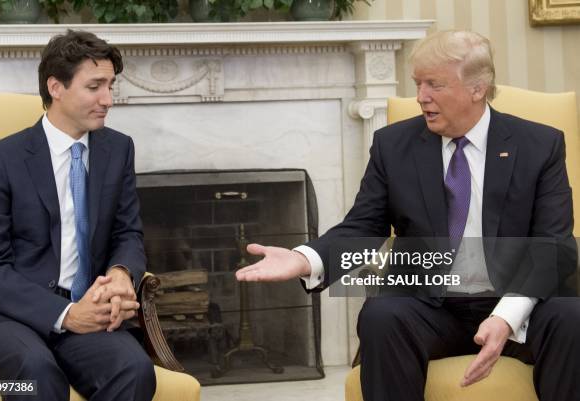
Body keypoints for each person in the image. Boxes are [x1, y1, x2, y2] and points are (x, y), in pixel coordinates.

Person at [236, 30, 580, 401]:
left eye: (434, 85)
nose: (421, 97)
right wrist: (305, 258)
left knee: (570, 316)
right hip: (433, 308)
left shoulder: (538, 145)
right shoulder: (393, 145)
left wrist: (505, 316)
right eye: (418, 84)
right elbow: (364, 227)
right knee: (382, 315)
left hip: (519, 306)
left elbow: (553, 244)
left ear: (477, 89)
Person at [0, 30, 155, 401]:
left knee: (135, 371)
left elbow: (127, 234)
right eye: (95, 86)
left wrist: (121, 273)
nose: (108, 100)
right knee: (35, 375)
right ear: (56, 87)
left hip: (87, 311)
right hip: (4, 316)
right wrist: (66, 314)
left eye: (111, 86)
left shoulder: (118, 150)